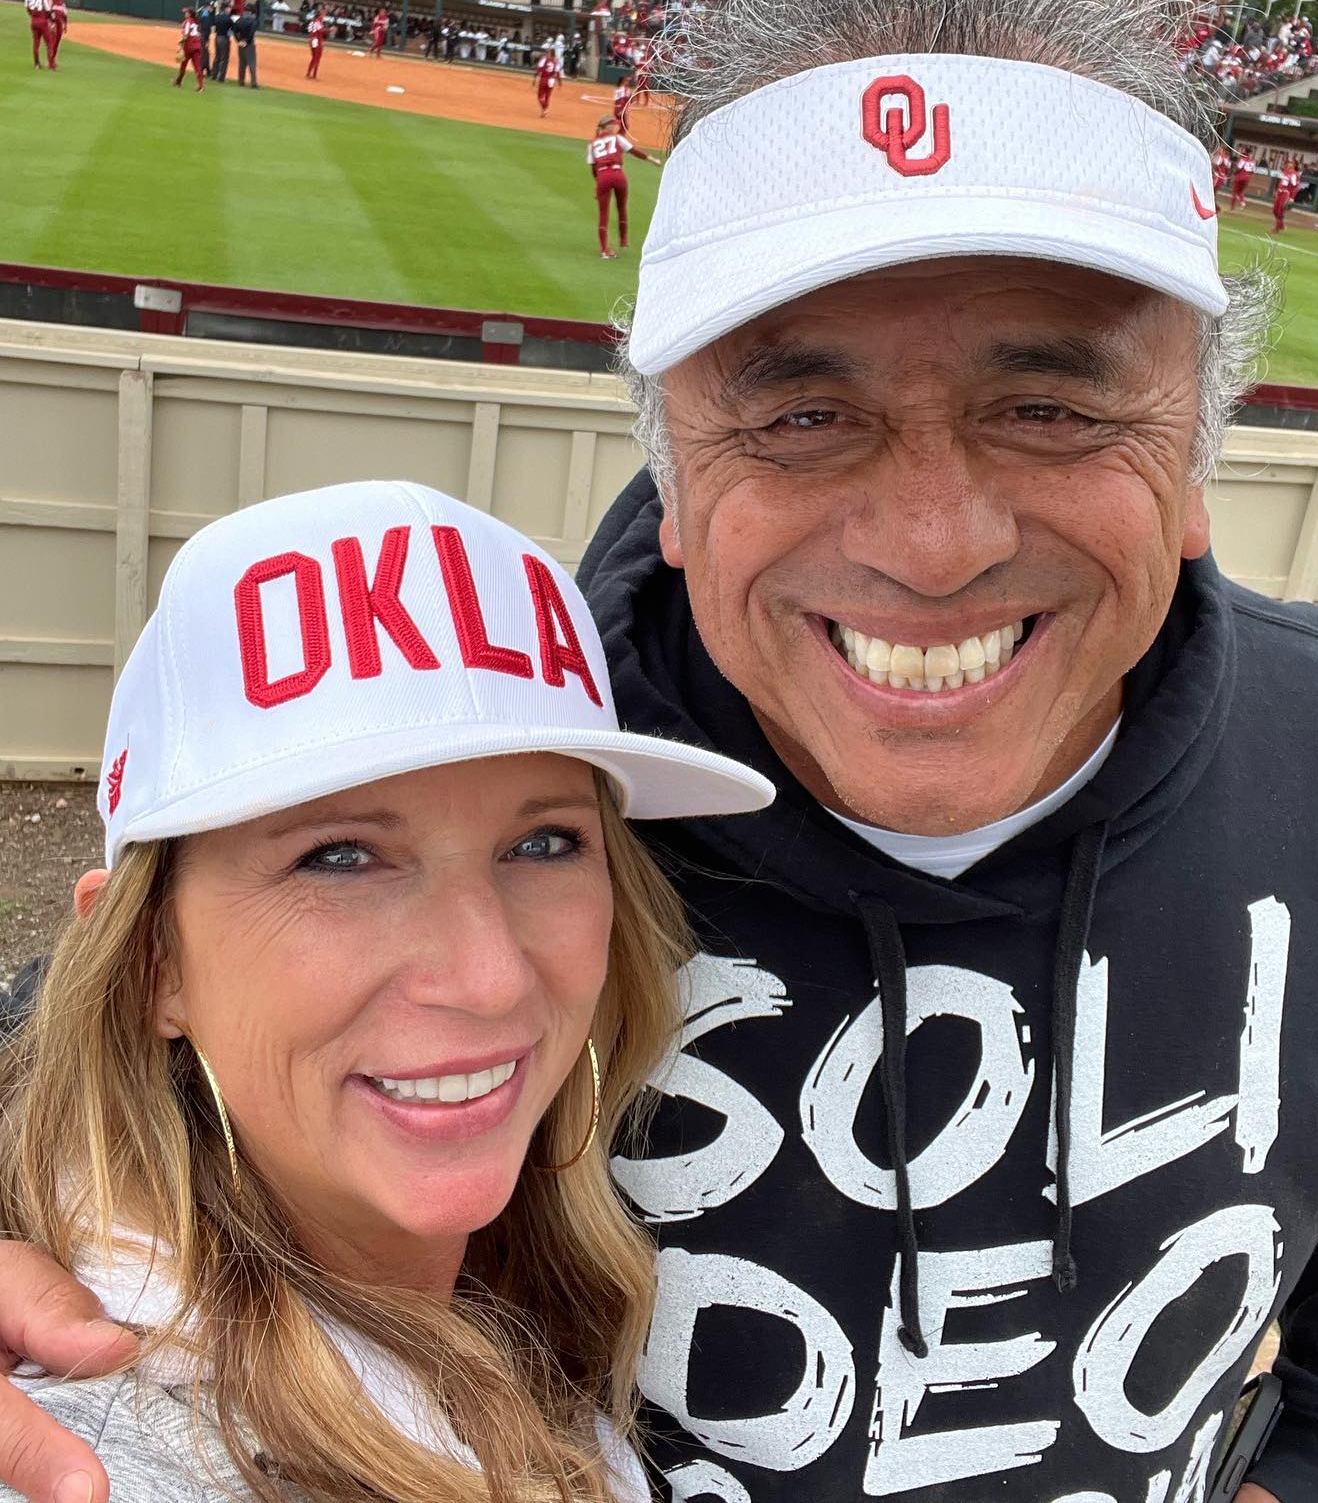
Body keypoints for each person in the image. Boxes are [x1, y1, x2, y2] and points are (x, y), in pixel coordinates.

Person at [7, 0, 1318, 1503]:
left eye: (1048, 405)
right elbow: (124, 1008)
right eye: (803, 414)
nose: (933, 542)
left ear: (1201, 448)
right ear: (675, 474)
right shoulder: (534, 769)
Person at [0, 480, 770, 1503]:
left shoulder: (525, 1298)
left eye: (545, 842)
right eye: (341, 857)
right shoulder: (91, 1458)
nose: (490, 978)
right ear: (153, 963)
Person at [586, 114, 657, 259]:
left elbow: (593, 168)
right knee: (621, 207)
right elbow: (634, 151)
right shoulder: (618, 138)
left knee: (603, 213)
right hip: (618, 174)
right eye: (613, 124)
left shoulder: (592, 145)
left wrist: (597, 184)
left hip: (603, 176)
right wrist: (651, 159)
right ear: (606, 126)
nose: (615, 126)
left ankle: (604, 250)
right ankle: (623, 240)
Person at [173, 5, 204, 91]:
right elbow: (198, 34)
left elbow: (186, 35)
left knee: (183, 65)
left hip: (189, 46)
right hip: (197, 45)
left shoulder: (188, 21)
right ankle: (201, 86)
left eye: (186, 12)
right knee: (197, 66)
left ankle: (178, 81)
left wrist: (182, 43)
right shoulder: (196, 21)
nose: (185, 14)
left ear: (189, 14)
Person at [23, 0, 52, 70]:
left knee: (36, 43)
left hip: (34, 22)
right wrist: (50, 21)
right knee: (49, 43)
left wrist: (32, 16)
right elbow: (48, 11)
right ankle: (51, 64)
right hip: (43, 22)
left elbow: (27, 8)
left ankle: (36, 64)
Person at [1271, 156, 1300, 232]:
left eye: (1291, 163)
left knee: (1280, 210)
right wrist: (1276, 191)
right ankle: (1282, 225)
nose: (1289, 164)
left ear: (1295, 165)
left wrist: (1292, 198)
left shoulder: (1295, 174)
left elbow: (1295, 187)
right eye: (1288, 163)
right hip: (1280, 192)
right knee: (1275, 210)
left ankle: (1277, 228)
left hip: (1286, 193)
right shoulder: (1285, 172)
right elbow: (1281, 183)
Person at [232, 2, 258, 87]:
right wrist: (246, 41)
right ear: (250, 12)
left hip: (241, 44)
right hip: (249, 44)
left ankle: (241, 81)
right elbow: (251, 33)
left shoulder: (239, 20)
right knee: (252, 64)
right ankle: (253, 83)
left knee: (242, 64)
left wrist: (239, 41)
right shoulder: (253, 21)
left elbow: (235, 32)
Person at [210, 0, 232, 83]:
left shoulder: (217, 16)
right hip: (224, 38)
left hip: (217, 37)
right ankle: (221, 77)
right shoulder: (228, 18)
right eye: (229, 8)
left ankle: (213, 75)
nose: (230, 10)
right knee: (224, 58)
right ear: (225, 8)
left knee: (217, 57)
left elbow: (213, 27)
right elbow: (233, 28)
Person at [536, 44, 562, 116]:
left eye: (548, 52)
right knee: (547, 96)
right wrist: (560, 83)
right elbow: (558, 73)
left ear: (550, 53)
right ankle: (545, 109)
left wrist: (535, 78)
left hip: (544, 79)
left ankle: (544, 108)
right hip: (551, 80)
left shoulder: (544, 59)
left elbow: (539, 69)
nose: (546, 53)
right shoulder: (556, 62)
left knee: (540, 96)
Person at [43, 0, 65, 69]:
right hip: (52, 25)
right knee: (51, 44)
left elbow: (64, 15)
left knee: (56, 45)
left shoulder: (62, 3)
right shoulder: (49, 1)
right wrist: (50, 24)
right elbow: (47, 13)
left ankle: (53, 61)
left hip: (59, 25)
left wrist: (65, 25)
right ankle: (50, 63)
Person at [1229, 144, 1255, 209]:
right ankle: (1243, 202)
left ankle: (1232, 206)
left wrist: (1234, 173)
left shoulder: (1242, 159)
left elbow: (1239, 168)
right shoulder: (1252, 161)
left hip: (1240, 177)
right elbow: (1252, 171)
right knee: (1240, 192)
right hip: (1247, 178)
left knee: (1235, 192)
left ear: (1245, 152)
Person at [305, 4, 326, 80]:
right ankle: (311, 74)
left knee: (315, 57)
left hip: (312, 40)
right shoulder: (317, 22)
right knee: (317, 58)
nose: (323, 17)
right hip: (316, 41)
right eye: (322, 15)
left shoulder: (312, 22)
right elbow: (321, 31)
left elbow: (309, 30)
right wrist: (330, 29)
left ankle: (312, 74)